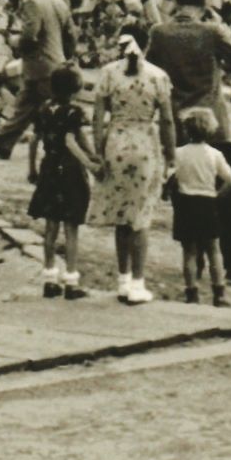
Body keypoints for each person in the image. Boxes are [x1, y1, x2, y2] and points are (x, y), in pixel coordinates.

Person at [146, 0, 231, 288]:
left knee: (185, 191)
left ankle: (194, 260)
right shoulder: (211, 31)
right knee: (228, 190)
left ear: (175, 7)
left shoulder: (159, 33)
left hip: (178, 125)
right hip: (214, 124)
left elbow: (149, 71)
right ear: (203, 9)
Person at [87, 22, 176, 306]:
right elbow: (167, 121)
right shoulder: (159, 77)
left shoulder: (108, 73)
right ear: (146, 44)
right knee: (141, 217)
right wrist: (171, 156)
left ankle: (123, 279)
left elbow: (97, 119)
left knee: (121, 215)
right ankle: (138, 283)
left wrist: (98, 152)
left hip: (116, 142)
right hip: (145, 146)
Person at [0, 0, 76, 159]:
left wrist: (13, 40)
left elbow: (29, 37)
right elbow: (71, 36)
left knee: (49, 112)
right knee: (24, 106)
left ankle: (65, 150)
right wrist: (66, 59)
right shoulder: (60, 3)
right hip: (55, 65)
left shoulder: (33, 3)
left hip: (39, 66)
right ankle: (3, 144)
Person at [28, 65, 97, 300]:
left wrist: (32, 168)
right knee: (71, 228)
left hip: (48, 169)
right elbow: (74, 140)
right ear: (76, 90)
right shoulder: (74, 112)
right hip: (69, 172)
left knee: (50, 227)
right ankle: (71, 280)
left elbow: (34, 141)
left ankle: (49, 278)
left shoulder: (44, 109)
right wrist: (91, 163)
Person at [169, 108, 231, 307]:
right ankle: (219, 293)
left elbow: (170, 177)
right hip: (207, 202)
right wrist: (217, 195)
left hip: (185, 203)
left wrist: (170, 191)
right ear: (211, 130)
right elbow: (230, 180)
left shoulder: (178, 153)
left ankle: (191, 292)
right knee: (214, 250)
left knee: (189, 251)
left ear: (186, 130)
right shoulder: (214, 154)